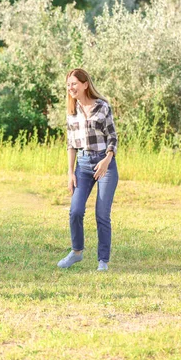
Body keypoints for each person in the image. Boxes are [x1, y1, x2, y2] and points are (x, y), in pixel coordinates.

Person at [58, 68, 119, 271]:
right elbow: (70, 144)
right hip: (82, 165)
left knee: (102, 214)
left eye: (74, 83)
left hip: (105, 163)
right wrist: (70, 172)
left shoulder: (102, 107)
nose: (71, 88)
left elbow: (113, 138)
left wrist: (107, 160)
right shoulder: (71, 111)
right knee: (75, 211)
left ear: (85, 84)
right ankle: (76, 252)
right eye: (68, 84)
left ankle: (103, 260)